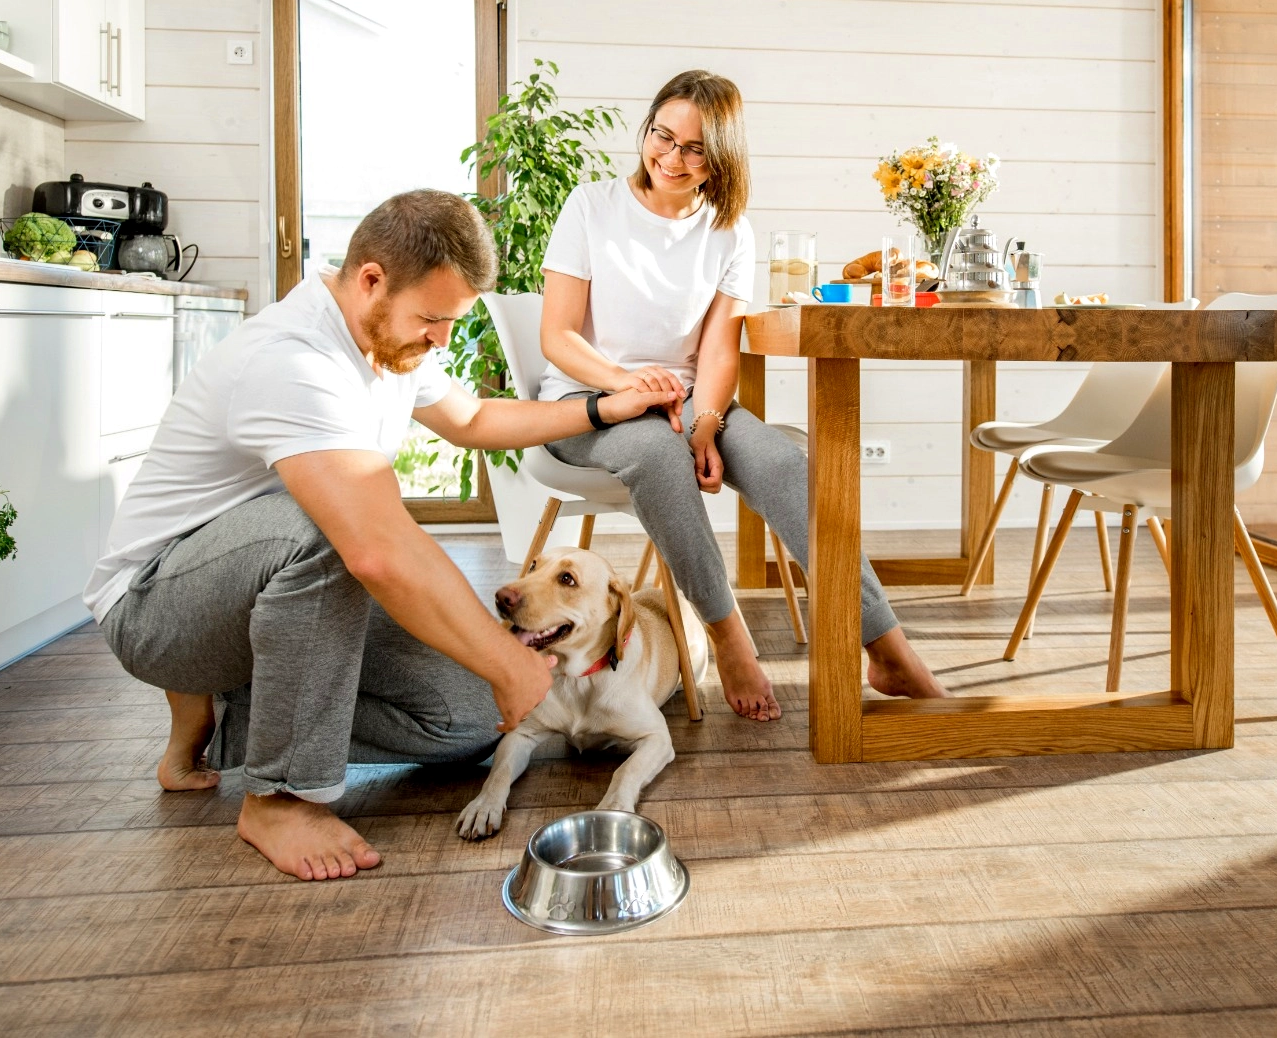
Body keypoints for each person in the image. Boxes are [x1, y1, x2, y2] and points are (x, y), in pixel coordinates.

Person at [85, 189, 679, 882]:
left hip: (273, 604)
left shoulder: (388, 343)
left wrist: (607, 406)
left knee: (470, 717)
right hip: (158, 609)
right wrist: (506, 657)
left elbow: (476, 421)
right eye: (433, 318)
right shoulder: (293, 361)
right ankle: (280, 795)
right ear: (371, 279)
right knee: (336, 530)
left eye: (451, 322)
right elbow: (373, 547)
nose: (441, 340)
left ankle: (234, 722)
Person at [538, 69, 947, 720]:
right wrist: (629, 384)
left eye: (694, 149)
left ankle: (888, 647)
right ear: (646, 129)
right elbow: (557, 336)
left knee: (787, 464)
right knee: (654, 450)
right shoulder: (591, 208)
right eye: (662, 136)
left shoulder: (730, 229)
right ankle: (729, 636)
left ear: (721, 158)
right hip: (589, 401)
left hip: (688, 403)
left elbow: (720, 347)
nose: (672, 158)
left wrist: (705, 423)